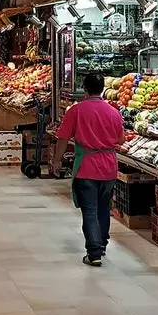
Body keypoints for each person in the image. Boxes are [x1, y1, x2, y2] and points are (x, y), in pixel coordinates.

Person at [50, 73, 124, 267]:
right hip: (109, 166)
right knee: (103, 208)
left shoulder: (77, 110)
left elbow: (63, 137)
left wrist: (56, 161)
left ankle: (94, 253)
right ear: (103, 88)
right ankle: (102, 244)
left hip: (86, 166)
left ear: (85, 88)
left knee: (89, 210)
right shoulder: (113, 111)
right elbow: (121, 140)